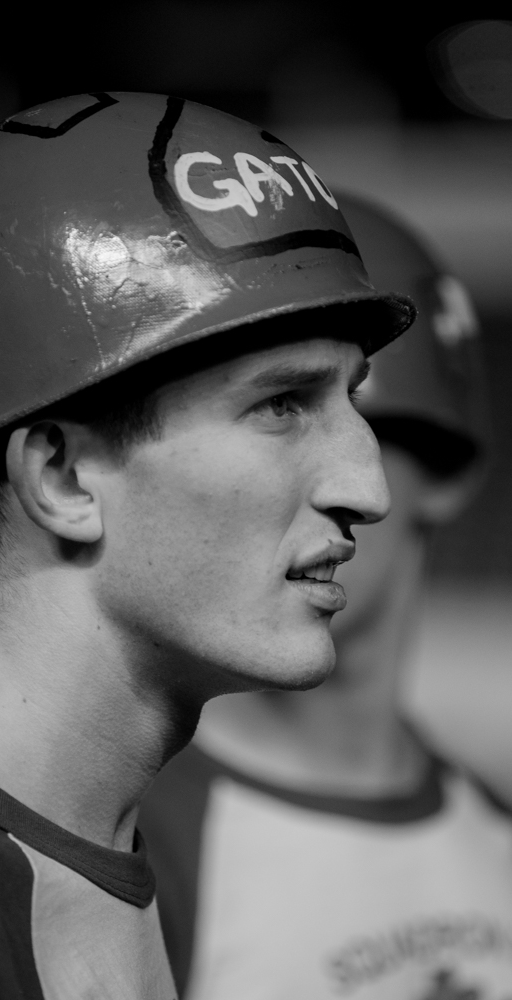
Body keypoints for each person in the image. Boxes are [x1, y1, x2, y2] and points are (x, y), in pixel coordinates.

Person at [0, 94, 412, 997]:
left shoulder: (70, 857)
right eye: (281, 405)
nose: (368, 490)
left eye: (352, 399)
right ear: (64, 477)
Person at [138, 193, 507, 1000]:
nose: (334, 484)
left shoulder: (495, 834)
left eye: (357, 425)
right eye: (274, 419)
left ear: (443, 470)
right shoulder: (126, 845)